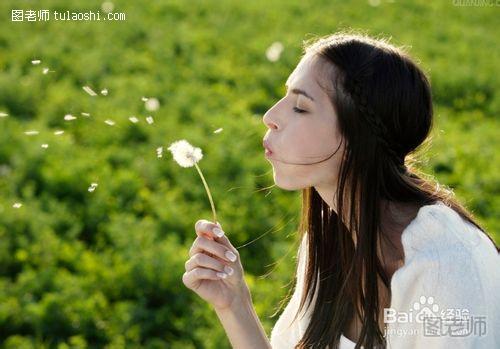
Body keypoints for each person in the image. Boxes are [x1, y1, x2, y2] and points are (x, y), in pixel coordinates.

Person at [182, 32, 500, 348]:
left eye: (301, 108)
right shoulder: (332, 237)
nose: (270, 117)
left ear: (357, 138)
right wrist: (234, 304)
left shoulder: (449, 270)